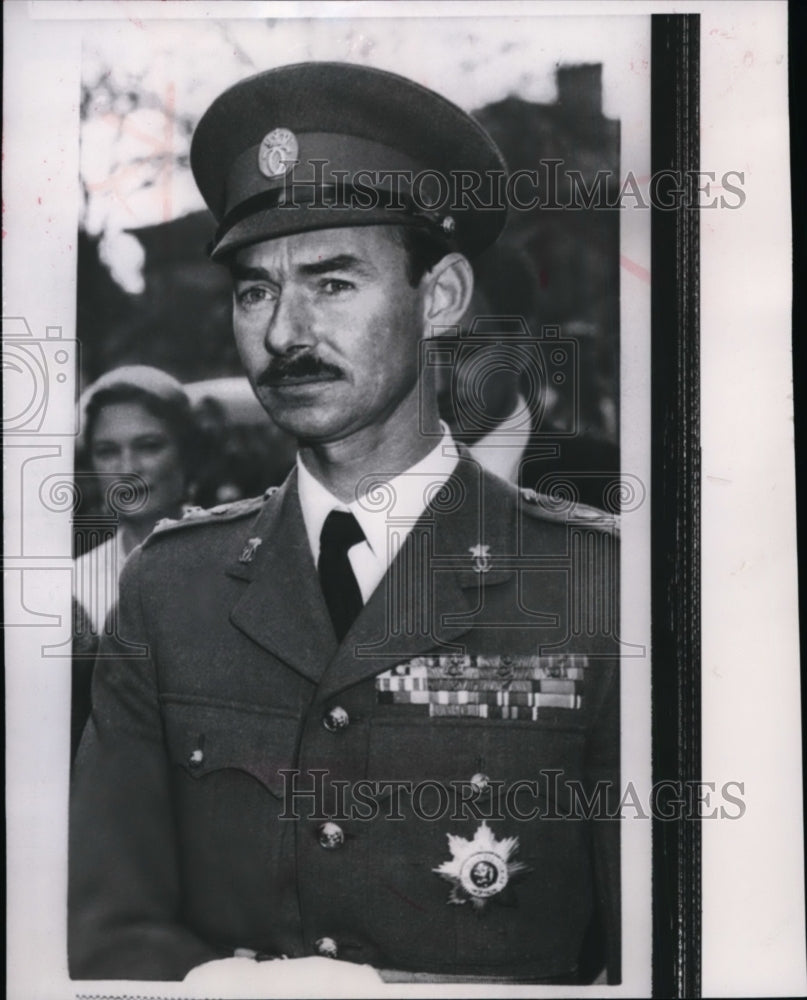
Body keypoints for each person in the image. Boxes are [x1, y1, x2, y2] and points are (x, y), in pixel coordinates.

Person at [69, 62, 620, 985]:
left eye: (331, 283)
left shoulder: (597, 592)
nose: (284, 331)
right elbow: (104, 930)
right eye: (254, 291)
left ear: (438, 299)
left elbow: (656, 957)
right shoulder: (169, 593)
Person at [71, 366, 198, 760]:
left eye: (148, 445)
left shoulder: (244, 555)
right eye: (107, 451)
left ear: (186, 454)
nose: (128, 467)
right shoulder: (73, 586)